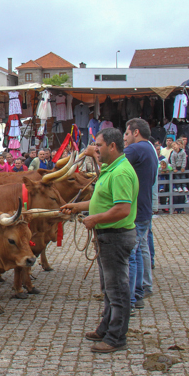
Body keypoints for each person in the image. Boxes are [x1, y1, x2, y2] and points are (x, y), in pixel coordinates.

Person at [61, 128, 138, 353]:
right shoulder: (111, 169)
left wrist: (95, 219)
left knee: (117, 288)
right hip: (108, 235)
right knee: (109, 287)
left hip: (115, 235)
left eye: (99, 145)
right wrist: (78, 206)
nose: (95, 149)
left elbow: (122, 209)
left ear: (112, 146)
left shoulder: (120, 173)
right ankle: (106, 327)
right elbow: (101, 201)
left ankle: (116, 337)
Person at [122, 118, 158, 314]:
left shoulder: (136, 149)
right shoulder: (150, 149)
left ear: (136, 133)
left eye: (126, 134)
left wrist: (95, 152)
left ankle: (133, 297)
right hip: (145, 207)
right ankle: (145, 287)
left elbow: (113, 160)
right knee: (142, 248)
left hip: (135, 209)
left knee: (132, 253)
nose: (124, 139)